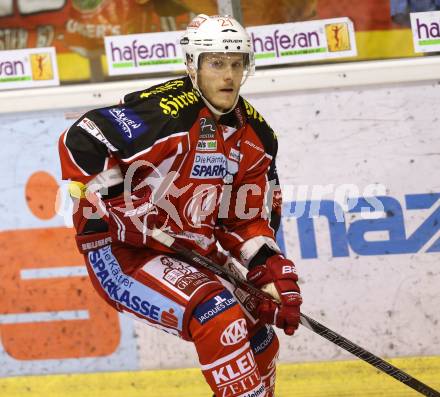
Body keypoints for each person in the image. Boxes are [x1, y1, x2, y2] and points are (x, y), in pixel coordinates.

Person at [58, 14, 302, 397]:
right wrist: (119, 202)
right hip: (123, 252)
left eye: (236, 64)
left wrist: (270, 272)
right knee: (219, 317)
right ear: (193, 65)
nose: (228, 76)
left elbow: (245, 220)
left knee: (261, 340)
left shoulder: (256, 136)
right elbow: (83, 137)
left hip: (187, 248)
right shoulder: (168, 112)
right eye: (217, 63)